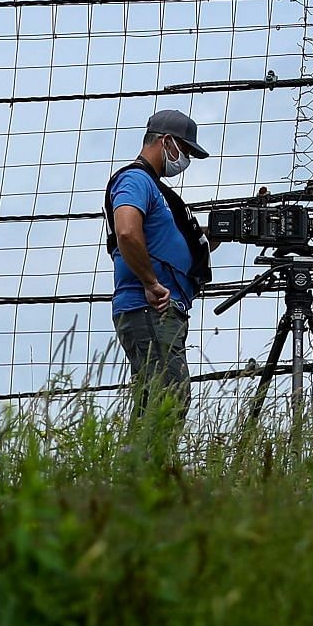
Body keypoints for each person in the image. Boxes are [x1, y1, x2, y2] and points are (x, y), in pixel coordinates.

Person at [104, 109, 216, 420]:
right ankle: (150, 467)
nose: (185, 160)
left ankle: (137, 466)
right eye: (185, 150)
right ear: (166, 141)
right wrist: (151, 282)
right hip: (149, 306)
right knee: (169, 397)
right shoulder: (135, 180)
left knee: (155, 399)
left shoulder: (159, 192)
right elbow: (127, 231)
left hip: (163, 308)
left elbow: (171, 242)